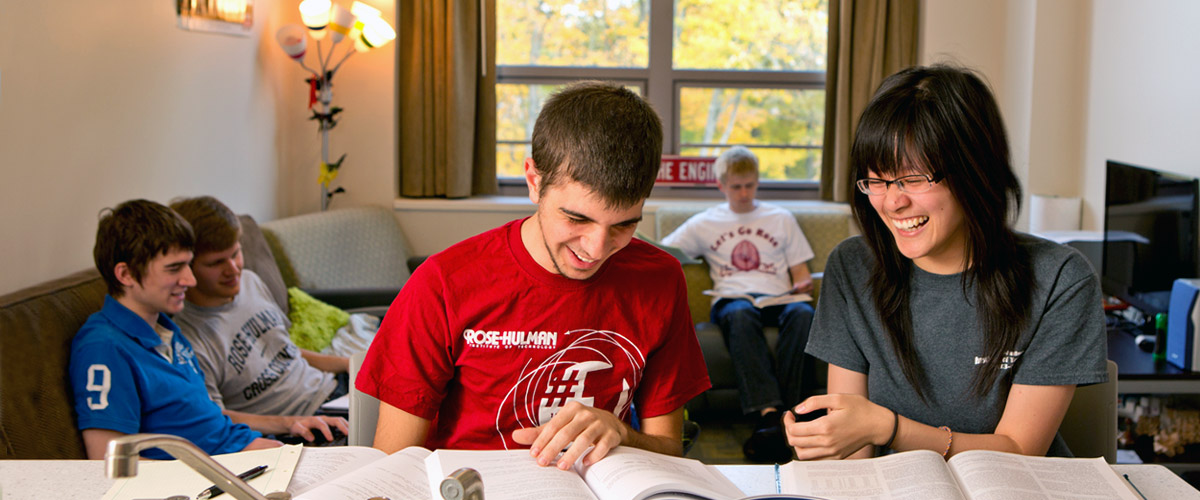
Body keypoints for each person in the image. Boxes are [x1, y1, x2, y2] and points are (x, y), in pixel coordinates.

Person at [357, 81, 712, 469]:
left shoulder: (660, 278)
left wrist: (623, 432)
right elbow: (392, 465)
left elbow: (670, 451)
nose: (596, 249)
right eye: (577, 218)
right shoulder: (443, 282)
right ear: (534, 180)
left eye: (623, 225)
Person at [785, 65, 1107, 459]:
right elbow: (855, 447)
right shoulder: (852, 268)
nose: (892, 202)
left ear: (975, 170)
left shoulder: (1059, 279)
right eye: (877, 180)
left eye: (913, 178)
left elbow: (1020, 449)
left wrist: (889, 427)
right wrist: (830, 439)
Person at [70, 199, 281, 459]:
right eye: (174, 269)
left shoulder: (166, 329)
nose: (190, 280)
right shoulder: (104, 348)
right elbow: (109, 460)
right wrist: (220, 472)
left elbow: (204, 417)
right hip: (219, 473)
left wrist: (290, 425)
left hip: (246, 448)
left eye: (188, 265)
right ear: (125, 275)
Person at [660, 146, 816, 463]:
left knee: (804, 313)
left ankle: (791, 410)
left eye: (750, 185)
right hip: (733, 300)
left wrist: (803, 284)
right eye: (736, 187)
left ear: (757, 182)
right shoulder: (705, 222)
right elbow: (663, 254)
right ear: (722, 186)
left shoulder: (781, 218)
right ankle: (769, 412)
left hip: (779, 298)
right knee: (740, 313)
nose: (744, 193)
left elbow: (801, 273)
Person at [170, 196, 349, 444]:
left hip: (333, 390)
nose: (233, 269)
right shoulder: (187, 338)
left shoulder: (250, 281)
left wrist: (348, 364)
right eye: (216, 263)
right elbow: (215, 419)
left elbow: (285, 351)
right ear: (187, 267)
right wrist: (290, 423)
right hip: (299, 425)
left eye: (236, 254)